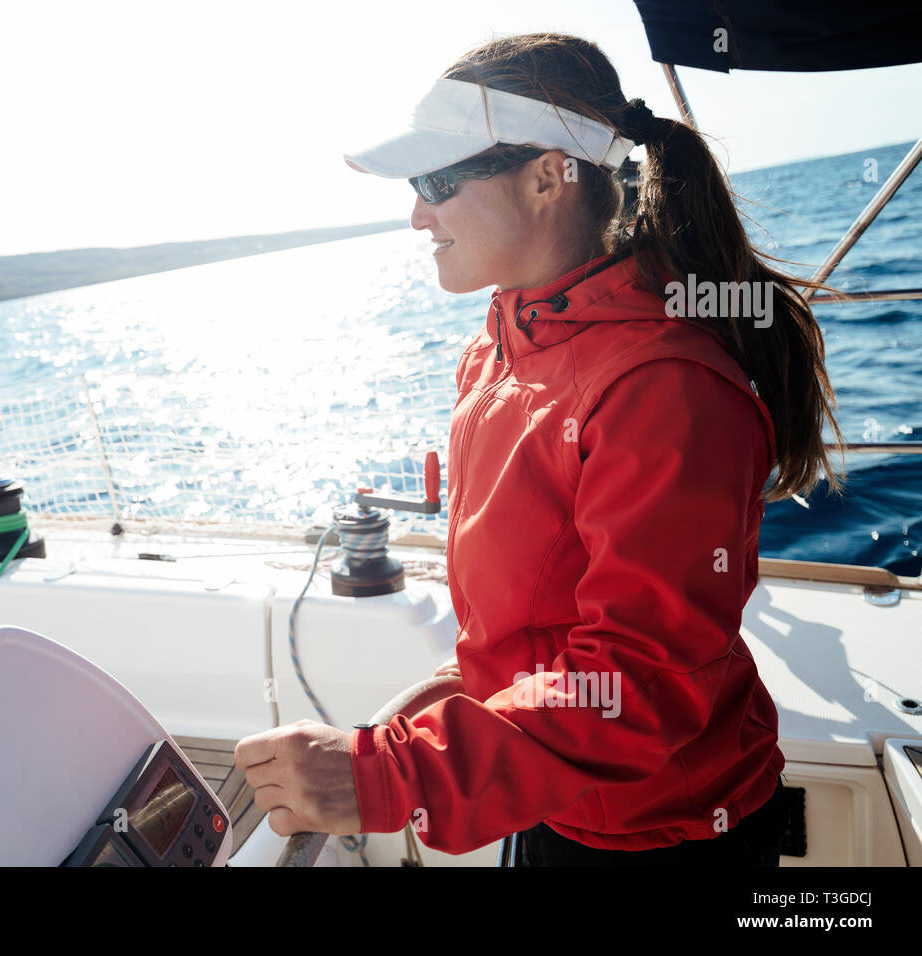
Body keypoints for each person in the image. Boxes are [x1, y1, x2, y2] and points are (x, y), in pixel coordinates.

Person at [232, 32, 844, 865]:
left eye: (438, 182)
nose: (417, 213)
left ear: (551, 174)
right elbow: (540, 621)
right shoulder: (497, 353)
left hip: (661, 836)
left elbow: (640, 679)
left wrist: (392, 776)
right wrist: (445, 709)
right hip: (550, 803)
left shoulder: (661, 385)